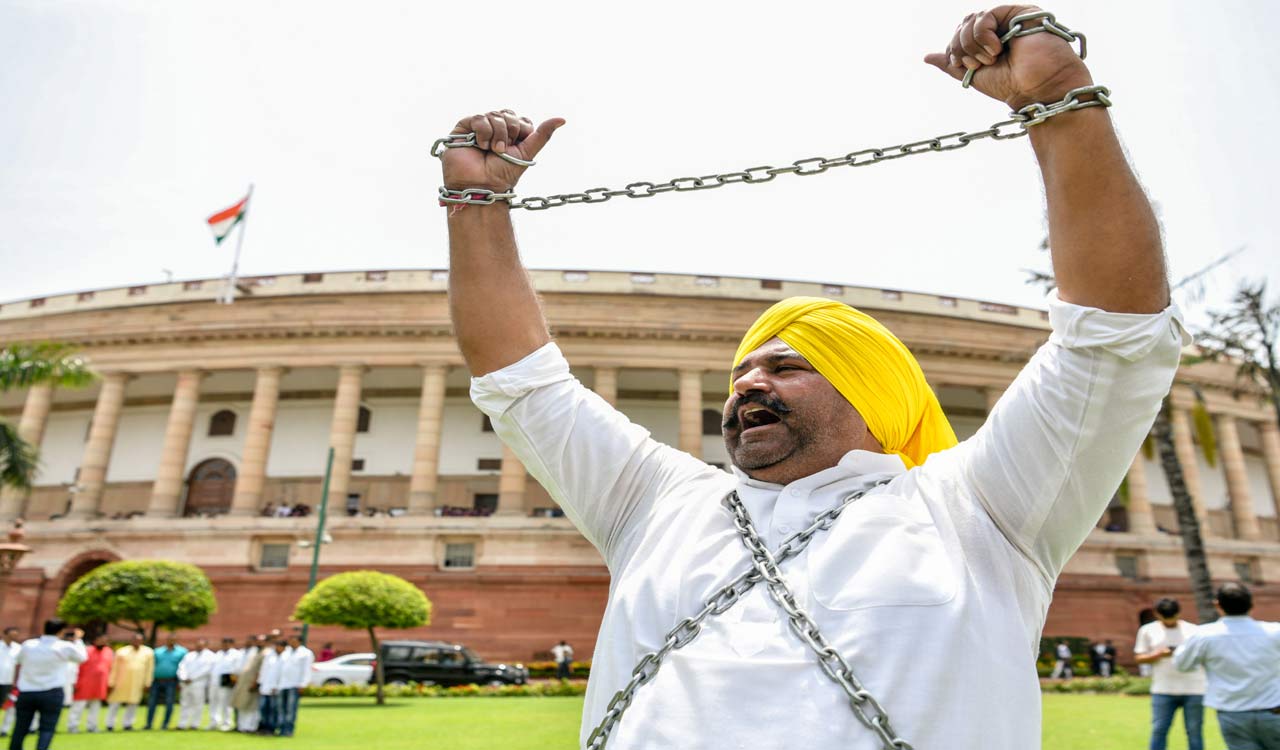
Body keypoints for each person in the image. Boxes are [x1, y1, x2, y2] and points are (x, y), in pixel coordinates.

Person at [441, 6, 1181, 746]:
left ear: (874, 393)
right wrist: (476, 206)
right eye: (741, 372)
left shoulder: (980, 510)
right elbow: (523, 382)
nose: (747, 384)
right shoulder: (658, 504)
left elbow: (1113, 336)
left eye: (786, 365)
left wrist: (1059, 98)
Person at [1174, 583, 1280, 749]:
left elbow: (1182, 665)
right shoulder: (1275, 632)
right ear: (1252, 605)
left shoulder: (1204, 635)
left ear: (1218, 605)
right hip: (1274, 711)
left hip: (1233, 714)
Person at [1135, 597, 1206, 750]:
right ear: (1157, 614)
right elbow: (1139, 657)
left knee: (1194, 732)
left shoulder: (1193, 630)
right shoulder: (1147, 630)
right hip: (1163, 689)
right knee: (1159, 729)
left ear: (1179, 613)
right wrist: (1158, 654)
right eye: (1165, 618)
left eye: (1173, 617)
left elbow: (1203, 656)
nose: (1169, 621)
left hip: (1194, 688)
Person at [8, 619, 86, 750]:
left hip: (27, 691)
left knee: (20, 728)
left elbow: (17, 659)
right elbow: (82, 658)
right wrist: (78, 640)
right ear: (61, 631)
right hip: (51, 692)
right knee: (47, 728)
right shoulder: (64, 647)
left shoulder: (28, 645)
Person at [104, 633, 152, 731]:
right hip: (121, 682)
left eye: (139, 640)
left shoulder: (148, 652)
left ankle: (128, 724)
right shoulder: (122, 651)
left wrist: (147, 683)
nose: (137, 642)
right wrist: (111, 682)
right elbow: (114, 668)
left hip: (137, 683)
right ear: (131, 641)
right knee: (115, 704)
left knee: (133, 704)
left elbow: (149, 669)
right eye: (135, 640)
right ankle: (110, 724)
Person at [67, 634, 113, 734]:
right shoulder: (86, 650)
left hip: (100, 684)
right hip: (85, 683)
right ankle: (72, 726)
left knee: (95, 706)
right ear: (95, 640)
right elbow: (77, 667)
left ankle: (92, 726)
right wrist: (75, 682)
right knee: (79, 706)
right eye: (100, 640)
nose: (102, 643)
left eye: (104, 641)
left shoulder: (108, 652)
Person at [145, 632, 186, 730]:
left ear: (176, 641)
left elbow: (184, 667)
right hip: (156, 680)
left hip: (171, 681)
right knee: (152, 703)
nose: (171, 641)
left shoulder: (182, 652)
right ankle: (149, 724)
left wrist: (180, 682)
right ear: (166, 640)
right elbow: (151, 666)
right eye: (170, 639)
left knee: (169, 703)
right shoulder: (158, 652)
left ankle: (165, 724)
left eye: (173, 639)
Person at [276, 634, 313, 737]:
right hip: (282, 684)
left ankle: (288, 730)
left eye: (293, 640)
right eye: (290, 639)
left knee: (290, 709)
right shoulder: (286, 652)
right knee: (281, 708)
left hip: (294, 684)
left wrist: (303, 684)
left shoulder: (305, 653)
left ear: (299, 641)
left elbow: (306, 670)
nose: (291, 642)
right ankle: (281, 728)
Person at [175, 638, 215, 730]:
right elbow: (182, 667)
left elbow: (206, 670)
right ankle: (182, 724)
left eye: (201, 645)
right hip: (186, 683)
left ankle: (195, 724)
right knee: (185, 703)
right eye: (197, 645)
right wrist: (183, 677)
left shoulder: (210, 656)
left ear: (205, 645)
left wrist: (192, 678)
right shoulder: (189, 655)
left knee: (197, 704)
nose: (199, 646)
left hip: (198, 683)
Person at [232, 635, 266, 733]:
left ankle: (251, 727)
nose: (259, 643)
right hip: (244, 682)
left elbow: (261, 670)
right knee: (242, 704)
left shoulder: (265, 653)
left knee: (252, 707)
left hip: (253, 683)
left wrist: (255, 682)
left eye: (261, 641)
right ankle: (241, 726)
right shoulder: (252, 652)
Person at [206, 637, 240, 731]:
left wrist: (232, 681)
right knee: (213, 702)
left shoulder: (236, 654)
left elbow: (236, 669)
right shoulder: (218, 654)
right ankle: (214, 721)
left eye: (227, 644)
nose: (225, 645)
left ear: (231, 644)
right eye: (223, 643)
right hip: (214, 681)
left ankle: (226, 722)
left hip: (227, 681)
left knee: (226, 703)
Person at [255, 640, 286, 736]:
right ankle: (264, 727)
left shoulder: (286, 657)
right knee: (263, 708)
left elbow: (284, 674)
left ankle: (272, 728)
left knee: (273, 709)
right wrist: (259, 683)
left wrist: (277, 686)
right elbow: (263, 670)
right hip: (265, 687)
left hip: (276, 688)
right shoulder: (270, 656)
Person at [0, 627, 21, 737]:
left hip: (9, 682)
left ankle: (4, 730)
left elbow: (20, 665)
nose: (13, 638)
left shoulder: (18, 648)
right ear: (5, 635)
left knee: (10, 706)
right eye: (11, 635)